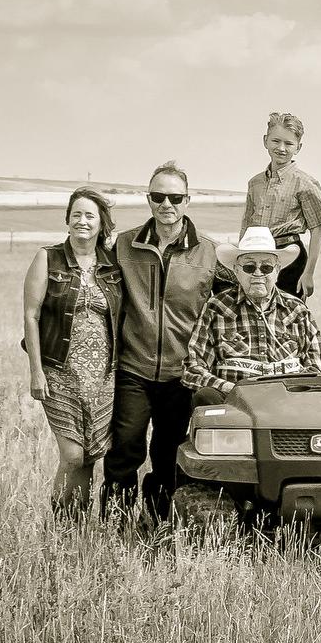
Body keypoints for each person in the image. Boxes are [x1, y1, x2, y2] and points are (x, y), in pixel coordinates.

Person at [104, 161, 232, 523]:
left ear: (187, 200)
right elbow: (91, 286)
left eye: (175, 197)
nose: (166, 204)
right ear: (149, 199)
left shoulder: (209, 253)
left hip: (183, 374)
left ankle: (158, 523)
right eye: (158, 196)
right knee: (125, 448)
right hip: (134, 368)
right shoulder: (124, 246)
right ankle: (116, 524)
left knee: (168, 453)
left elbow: (240, 299)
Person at [21, 188, 123, 518]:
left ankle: (76, 526)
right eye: (76, 214)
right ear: (67, 220)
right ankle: (61, 520)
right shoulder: (47, 258)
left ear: (101, 223)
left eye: (89, 215)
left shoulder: (112, 264)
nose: (82, 220)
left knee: (92, 454)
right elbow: (31, 315)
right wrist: (36, 371)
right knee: (73, 455)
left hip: (103, 377)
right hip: (59, 372)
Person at [181, 226, 321, 400]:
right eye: (249, 267)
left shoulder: (298, 310)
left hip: (288, 403)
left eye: (266, 268)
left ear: (278, 270)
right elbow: (193, 369)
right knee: (206, 396)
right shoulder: (217, 307)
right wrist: (231, 389)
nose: (258, 273)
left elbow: (317, 372)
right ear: (236, 270)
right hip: (235, 404)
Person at [241, 112, 321, 299]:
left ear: (298, 147)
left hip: (290, 256)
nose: (281, 148)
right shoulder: (254, 183)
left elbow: (317, 230)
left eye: (289, 143)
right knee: (255, 310)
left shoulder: (305, 183)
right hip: (258, 256)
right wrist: (242, 260)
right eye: (276, 141)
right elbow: (246, 225)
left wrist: (308, 273)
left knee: (289, 313)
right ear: (265, 141)